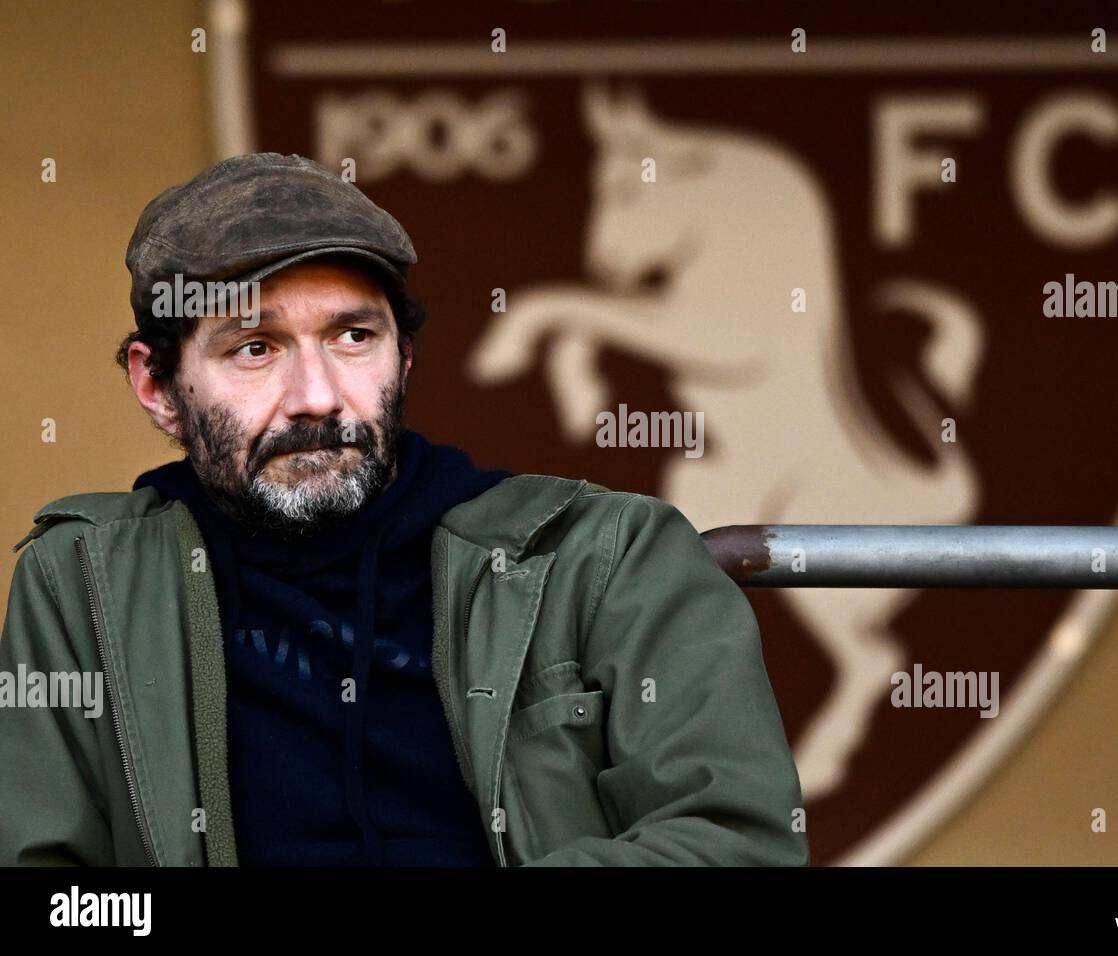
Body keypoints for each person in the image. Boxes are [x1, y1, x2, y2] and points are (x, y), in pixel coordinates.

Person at [0, 152, 808, 866]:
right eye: (255, 348)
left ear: (405, 357)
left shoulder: (603, 557)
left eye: (353, 337)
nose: (316, 397)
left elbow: (736, 842)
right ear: (157, 386)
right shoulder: (86, 581)